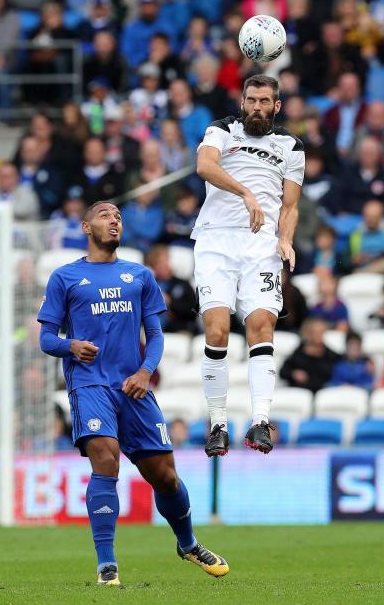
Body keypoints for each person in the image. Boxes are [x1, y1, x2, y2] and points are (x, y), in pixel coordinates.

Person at [38, 201, 228, 586]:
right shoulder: (65, 277)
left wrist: (145, 371)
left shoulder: (139, 276)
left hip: (134, 386)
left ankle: (187, 543)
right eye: (105, 216)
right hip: (90, 384)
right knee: (106, 460)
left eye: (118, 217)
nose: (114, 221)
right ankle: (107, 565)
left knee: (165, 476)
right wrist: (71, 346)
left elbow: (155, 335)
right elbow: (46, 338)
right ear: (87, 227)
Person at [194, 75, 305, 457]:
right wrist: (245, 193)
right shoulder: (222, 130)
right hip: (215, 239)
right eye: (251, 100)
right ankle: (218, 423)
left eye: (264, 101)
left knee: (262, 326)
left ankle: (260, 422)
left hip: (262, 245)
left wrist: (285, 238)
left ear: (277, 106)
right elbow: (204, 166)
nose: (256, 107)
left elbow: (289, 206)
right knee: (218, 330)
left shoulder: (291, 146)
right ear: (243, 102)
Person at [280, 317, 340, 392]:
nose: (319, 335)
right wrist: (294, 374)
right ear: (309, 333)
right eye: (316, 332)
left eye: (322, 332)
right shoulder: (299, 352)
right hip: (299, 392)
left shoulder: (331, 355)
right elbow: (283, 372)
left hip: (321, 394)